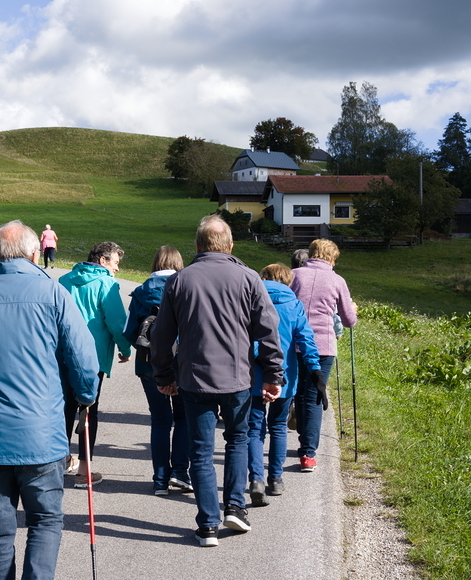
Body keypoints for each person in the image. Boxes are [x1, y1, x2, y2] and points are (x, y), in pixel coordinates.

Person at [0, 220, 100, 580]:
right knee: (45, 522)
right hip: (42, 436)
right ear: (34, 253)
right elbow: (85, 360)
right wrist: (86, 396)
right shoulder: (55, 294)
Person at [150, 215, 284, 547]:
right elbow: (269, 332)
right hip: (238, 379)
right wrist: (272, 375)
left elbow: (161, 337)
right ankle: (235, 506)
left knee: (201, 451)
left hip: (194, 379)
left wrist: (164, 376)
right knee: (237, 441)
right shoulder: (249, 279)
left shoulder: (180, 281)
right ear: (230, 245)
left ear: (197, 246)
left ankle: (208, 525)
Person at [58, 241, 131, 488]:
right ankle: (84, 472)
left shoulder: (64, 280)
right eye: (115, 263)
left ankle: (60, 462)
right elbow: (116, 321)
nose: (117, 269)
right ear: (102, 260)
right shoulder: (106, 284)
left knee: (65, 408)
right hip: (93, 357)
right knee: (88, 409)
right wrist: (125, 347)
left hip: (65, 354)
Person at [247, 264, 321, 507]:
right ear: (288, 282)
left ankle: (256, 479)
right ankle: (275, 478)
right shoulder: (294, 305)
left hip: (254, 375)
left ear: (263, 278)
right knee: (278, 426)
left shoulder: (251, 300)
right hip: (284, 376)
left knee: (254, 429)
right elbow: (306, 339)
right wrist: (315, 369)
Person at [123, 245, 191, 496]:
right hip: (183, 363)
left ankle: (160, 480)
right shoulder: (186, 288)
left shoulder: (141, 292)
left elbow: (131, 332)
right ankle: (180, 473)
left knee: (160, 420)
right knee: (183, 417)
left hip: (148, 363)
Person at [291, 239, 358, 472]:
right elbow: (349, 320)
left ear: (311, 254)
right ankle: (308, 452)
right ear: (331, 258)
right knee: (314, 395)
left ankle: (304, 437)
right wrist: (353, 310)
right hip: (322, 346)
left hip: (295, 343)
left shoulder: (294, 275)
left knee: (299, 392)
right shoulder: (337, 280)